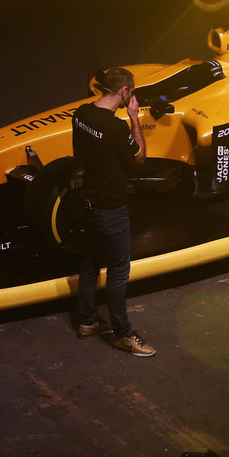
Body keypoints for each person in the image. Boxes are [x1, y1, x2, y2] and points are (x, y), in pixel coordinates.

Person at [71, 67, 157, 356]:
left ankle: (87, 322)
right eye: (130, 92)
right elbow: (140, 158)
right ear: (124, 92)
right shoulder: (116, 126)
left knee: (90, 263)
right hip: (111, 205)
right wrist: (133, 117)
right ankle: (123, 334)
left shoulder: (81, 114)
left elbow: (80, 154)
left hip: (89, 201)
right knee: (119, 271)